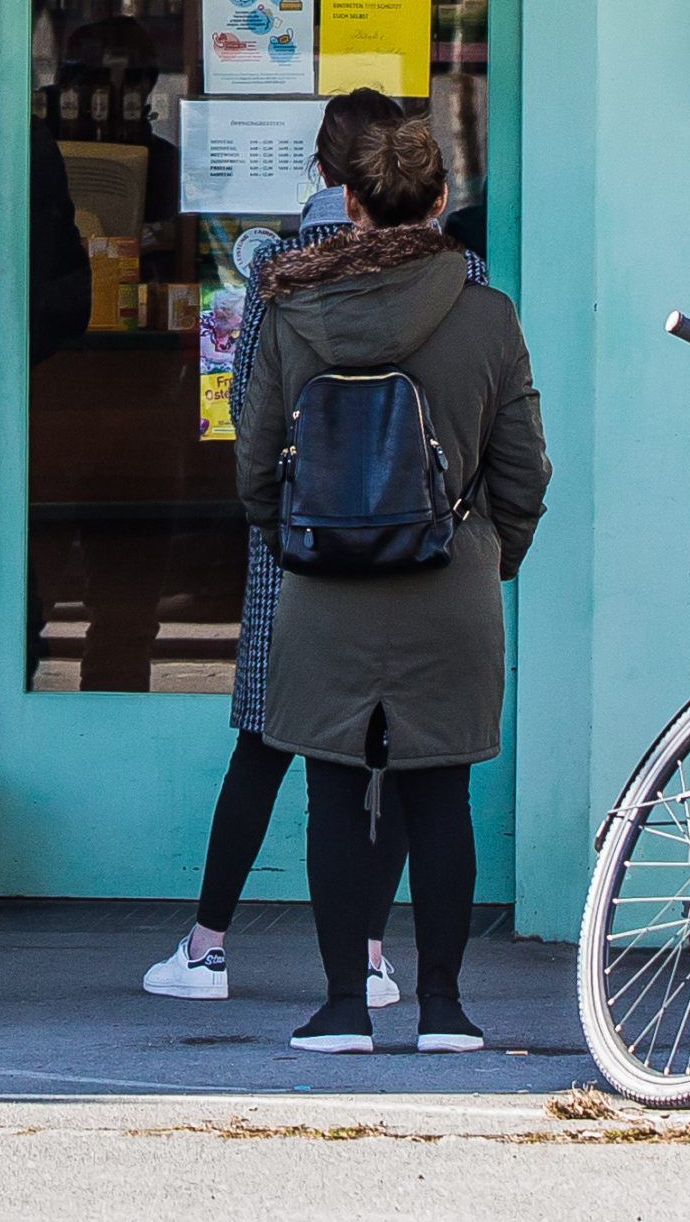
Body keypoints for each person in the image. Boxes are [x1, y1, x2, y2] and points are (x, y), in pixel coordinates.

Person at [143, 89, 488, 1008]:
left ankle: (208, 944)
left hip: (300, 540)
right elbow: (488, 424)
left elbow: (252, 412)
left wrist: (268, 522)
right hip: (422, 543)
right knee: (397, 751)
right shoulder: (464, 276)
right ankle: (372, 956)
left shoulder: (281, 272)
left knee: (265, 738)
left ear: (324, 173)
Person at [236, 115, 549, 1055]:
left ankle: (341, 1007)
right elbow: (525, 467)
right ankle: (444, 1008)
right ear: (442, 201)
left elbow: (255, 464)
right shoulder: (485, 312)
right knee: (439, 797)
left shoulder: (293, 308)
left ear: (353, 204)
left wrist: (292, 540)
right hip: (449, 578)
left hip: (321, 583)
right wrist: (494, 556)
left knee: (332, 792)